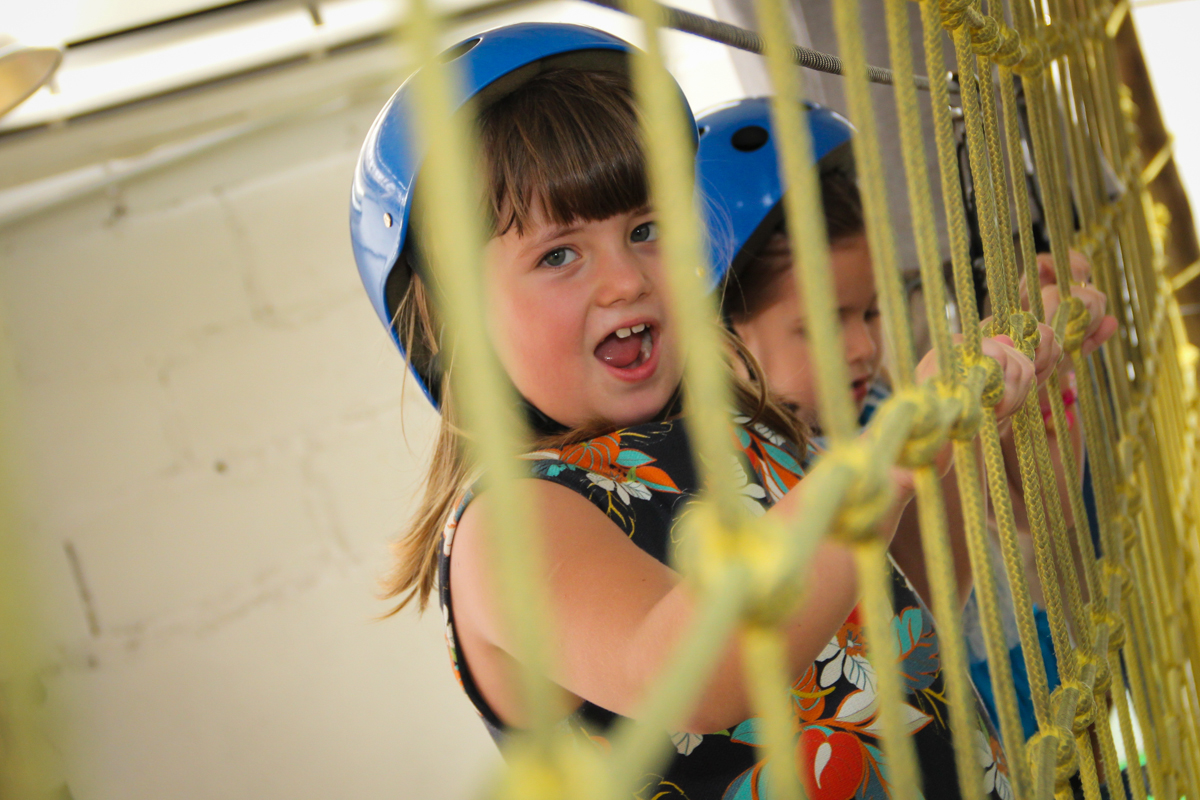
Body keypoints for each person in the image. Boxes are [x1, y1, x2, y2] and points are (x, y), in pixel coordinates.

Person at [350, 25, 1042, 800]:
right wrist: (875, 466)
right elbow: (693, 670)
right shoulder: (510, 525)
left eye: (646, 230)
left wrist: (945, 447)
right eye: (558, 255)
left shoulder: (739, 436)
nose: (625, 280)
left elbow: (891, 599)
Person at [696, 97, 1116, 744]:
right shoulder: (771, 483)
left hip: (1029, 680)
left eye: (868, 313)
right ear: (721, 339)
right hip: (952, 724)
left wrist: (1043, 367)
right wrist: (954, 435)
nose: (863, 347)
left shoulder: (880, 406)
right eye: (822, 325)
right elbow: (919, 603)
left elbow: (1048, 508)